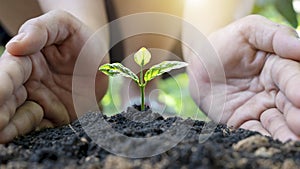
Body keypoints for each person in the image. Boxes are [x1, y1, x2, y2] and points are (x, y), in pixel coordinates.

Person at [0, 0, 300, 143]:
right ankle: (81, 52)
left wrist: (208, 41)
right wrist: (80, 34)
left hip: (174, 22)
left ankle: (141, 92)